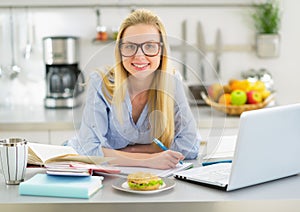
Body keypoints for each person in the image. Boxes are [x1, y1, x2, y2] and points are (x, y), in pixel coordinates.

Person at [68, 9, 200, 169]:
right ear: (120, 51)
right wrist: (149, 159)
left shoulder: (172, 82)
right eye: (130, 46)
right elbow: (89, 151)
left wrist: (126, 151)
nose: (139, 56)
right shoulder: (101, 83)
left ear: (161, 51)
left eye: (150, 46)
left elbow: (190, 147)